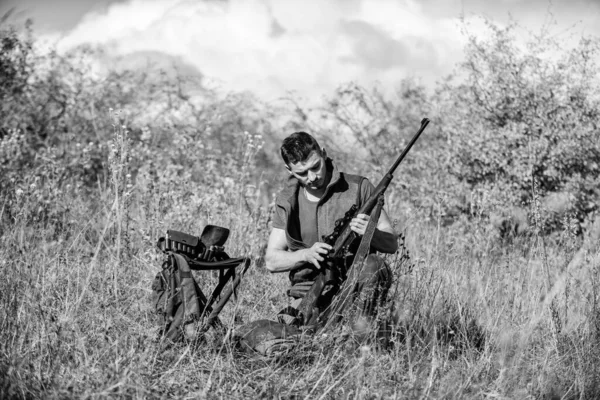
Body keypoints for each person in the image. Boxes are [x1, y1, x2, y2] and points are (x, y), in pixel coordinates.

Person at [265, 131, 398, 330]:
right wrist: (306, 255)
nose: (312, 177)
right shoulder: (287, 200)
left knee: (374, 264)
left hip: (356, 287)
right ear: (289, 169)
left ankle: (362, 339)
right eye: (302, 173)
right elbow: (271, 261)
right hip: (308, 294)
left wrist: (370, 233)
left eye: (315, 167)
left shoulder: (358, 188)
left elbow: (392, 243)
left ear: (324, 154)